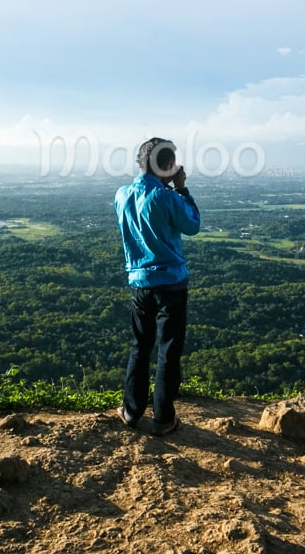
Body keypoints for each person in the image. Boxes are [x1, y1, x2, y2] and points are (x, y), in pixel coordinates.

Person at [113, 137, 201, 435]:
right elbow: (192, 226)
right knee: (168, 349)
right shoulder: (166, 197)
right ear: (166, 165)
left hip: (138, 281)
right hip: (171, 283)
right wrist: (182, 188)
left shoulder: (122, 194)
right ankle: (163, 418)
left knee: (140, 345)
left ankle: (131, 410)